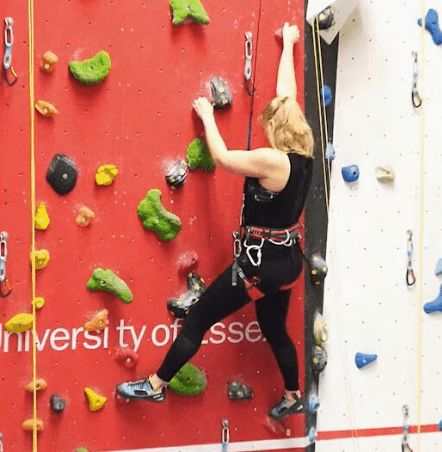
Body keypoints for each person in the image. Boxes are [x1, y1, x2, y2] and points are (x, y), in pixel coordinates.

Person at [116, 22, 315, 420]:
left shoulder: (273, 160)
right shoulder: (303, 153)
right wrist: (289, 45)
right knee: (275, 329)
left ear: (277, 128)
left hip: (260, 265)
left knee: (199, 317)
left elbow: (224, 159)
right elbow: (287, 96)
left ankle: (156, 385)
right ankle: (294, 395)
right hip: (287, 262)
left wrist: (208, 116)